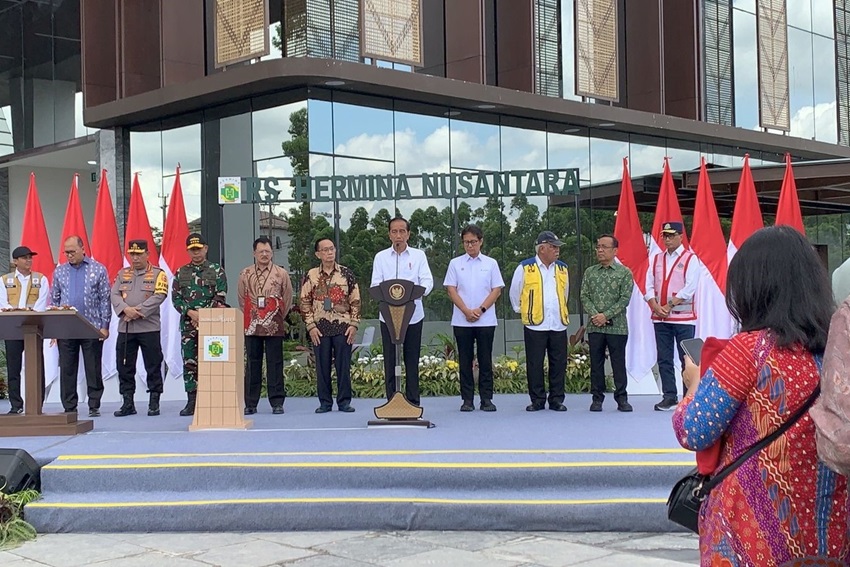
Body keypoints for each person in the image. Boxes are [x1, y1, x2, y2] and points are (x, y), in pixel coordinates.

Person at [673, 226, 849, 565]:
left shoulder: (749, 350)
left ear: (753, 287)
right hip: (828, 527)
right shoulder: (836, 348)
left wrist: (694, 382)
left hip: (749, 532)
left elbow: (693, 429)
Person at [370, 217, 433, 407]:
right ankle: (391, 402)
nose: (398, 235)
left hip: (412, 316)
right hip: (388, 317)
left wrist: (413, 294)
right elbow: (375, 285)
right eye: (394, 231)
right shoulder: (381, 257)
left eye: (402, 231)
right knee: (390, 360)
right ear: (389, 234)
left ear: (408, 234)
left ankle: (413, 403)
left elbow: (427, 282)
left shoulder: (418, 256)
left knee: (411, 360)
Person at [444, 225, 504, 412]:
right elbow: (451, 289)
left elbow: (497, 290)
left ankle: (486, 399)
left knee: (485, 359)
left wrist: (481, 309)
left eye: (473, 242)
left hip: (485, 320)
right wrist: (466, 310)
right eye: (466, 242)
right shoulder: (455, 263)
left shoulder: (490, 263)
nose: (470, 246)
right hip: (462, 320)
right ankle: (467, 399)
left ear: (481, 241)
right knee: (465, 360)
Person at [509, 231, 570, 412]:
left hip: (558, 322)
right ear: (542, 248)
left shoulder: (562, 268)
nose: (557, 250)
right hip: (535, 323)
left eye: (557, 247)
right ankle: (537, 400)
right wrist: (523, 311)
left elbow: (565, 293)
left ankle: (556, 399)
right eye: (553, 247)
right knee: (535, 363)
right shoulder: (525, 267)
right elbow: (515, 292)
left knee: (558, 363)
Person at [51, 236, 111, 417]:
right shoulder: (59, 272)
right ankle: (69, 406)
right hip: (66, 328)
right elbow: (54, 299)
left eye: (72, 251)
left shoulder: (98, 269)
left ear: (83, 249)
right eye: (66, 252)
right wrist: (54, 328)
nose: (69, 255)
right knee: (68, 368)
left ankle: (94, 404)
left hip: (91, 326)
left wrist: (104, 325)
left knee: (93, 367)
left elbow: (104, 299)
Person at [300, 238, 361, 413]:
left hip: (343, 326)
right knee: (322, 366)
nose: (329, 253)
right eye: (325, 250)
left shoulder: (346, 273)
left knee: (343, 366)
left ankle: (344, 402)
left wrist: (354, 324)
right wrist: (310, 326)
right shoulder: (311, 275)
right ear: (318, 254)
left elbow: (355, 300)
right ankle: (325, 402)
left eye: (332, 249)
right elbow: (304, 302)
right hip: (319, 328)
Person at [110, 240, 169, 417]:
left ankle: (154, 401)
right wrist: (125, 309)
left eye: (139, 254)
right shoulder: (123, 273)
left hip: (149, 327)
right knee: (124, 366)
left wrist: (138, 311)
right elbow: (114, 294)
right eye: (132, 254)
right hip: (126, 328)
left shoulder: (158, 274)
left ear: (147, 254)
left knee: (153, 364)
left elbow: (160, 295)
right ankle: (128, 402)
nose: (135, 258)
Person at [645, 221, 699, 411]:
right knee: (664, 357)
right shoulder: (656, 258)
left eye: (671, 235)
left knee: (687, 359)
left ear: (680, 236)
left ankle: (687, 396)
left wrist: (668, 305)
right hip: (660, 318)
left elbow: (690, 288)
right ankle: (669, 396)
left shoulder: (690, 258)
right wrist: (654, 304)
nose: (667, 239)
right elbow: (649, 285)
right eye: (665, 236)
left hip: (684, 318)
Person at [171, 233, 227, 416]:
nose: (196, 253)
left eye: (198, 249)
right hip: (189, 325)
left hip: (212, 325)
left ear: (206, 248)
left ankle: (212, 400)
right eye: (192, 250)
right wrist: (191, 313)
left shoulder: (216, 270)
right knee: (190, 363)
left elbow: (221, 296)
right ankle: (192, 401)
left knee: (213, 361)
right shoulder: (181, 272)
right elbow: (176, 298)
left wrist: (203, 315)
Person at [237, 236, 293, 415]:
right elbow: (241, 298)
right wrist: (252, 316)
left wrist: (276, 317)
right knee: (252, 363)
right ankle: (251, 403)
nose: (264, 254)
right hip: (252, 324)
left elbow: (288, 297)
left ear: (272, 253)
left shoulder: (280, 273)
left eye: (267, 251)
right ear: (254, 253)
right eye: (260, 251)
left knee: (275, 362)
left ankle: (277, 401)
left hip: (274, 323)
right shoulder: (245, 273)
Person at [580, 235, 633, 412]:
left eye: (604, 247)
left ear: (615, 251)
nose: (600, 250)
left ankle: (622, 399)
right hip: (595, 326)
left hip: (617, 327)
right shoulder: (590, 272)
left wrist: (606, 315)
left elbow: (624, 299)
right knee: (596, 363)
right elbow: (584, 296)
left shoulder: (624, 272)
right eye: (598, 246)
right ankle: (597, 398)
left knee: (618, 363)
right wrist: (596, 315)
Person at [0, 245, 48, 414]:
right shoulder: (5, 280)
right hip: (12, 327)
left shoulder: (41, 279)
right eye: (24, 257)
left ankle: (37, 403)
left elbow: (41, 304)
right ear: (15, 261)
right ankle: (15, 404)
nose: (29, 260)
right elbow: (3, 303)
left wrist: (30, 314)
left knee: (36, 366)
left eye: (30, 257)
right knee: (14, 367)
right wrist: (14, 314)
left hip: (33, 327)